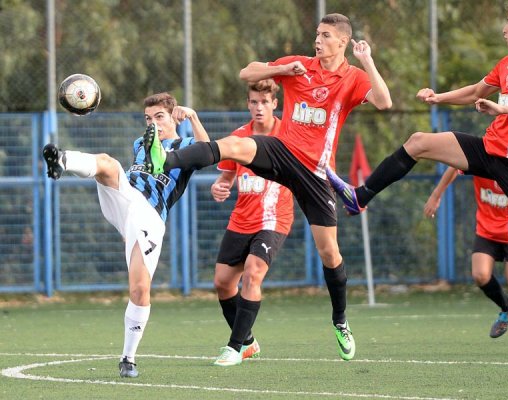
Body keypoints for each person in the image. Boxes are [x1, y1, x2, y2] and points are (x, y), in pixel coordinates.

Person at [326, 0, 508, 334]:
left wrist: (502, 109)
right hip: (490, 149)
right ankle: (361, 196)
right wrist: (438, 97)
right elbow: (476, 91)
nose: (504, 28)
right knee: (418, 141)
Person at [143, 13, 392, 361]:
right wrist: (283, 69)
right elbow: (247, 73)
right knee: (233, 145)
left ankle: (340, 320)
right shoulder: (299, 65)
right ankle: (164, 161)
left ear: (343, 42)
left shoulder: (351, 77)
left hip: (316, 173)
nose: (318, 40)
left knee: (329, 253)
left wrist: (367, 60)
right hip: (282, 152)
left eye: (325, 35)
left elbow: (384, 101)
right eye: (317, 34)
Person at [42, 93, 209, 377]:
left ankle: (128, 358)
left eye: (159, 117)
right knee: (107, 164)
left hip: (149, 215)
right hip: (126, 197)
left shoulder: (186, 147)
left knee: (140, 289)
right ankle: (62, 160)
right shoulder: (140, 143)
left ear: (174, 118)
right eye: (148, 118)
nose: (153, 123)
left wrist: (192, 116)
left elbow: (207, 150)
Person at [211, 79, 294, 366]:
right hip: (241, 220)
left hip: (274, 218)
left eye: (264, 102)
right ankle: (247, 342)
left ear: (275, 104)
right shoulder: (239, 137)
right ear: (248, 104)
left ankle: (234, 347)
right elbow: (226, 176)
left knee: (253, 272)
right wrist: (219, 186)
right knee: (223, 283)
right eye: (254, 102)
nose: (259, 107)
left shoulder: (289, 135)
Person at [424, 167, 508, 342]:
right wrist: (436, 195)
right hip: (486, 231)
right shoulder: (481, 163)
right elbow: (453, 167)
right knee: (480, 275)